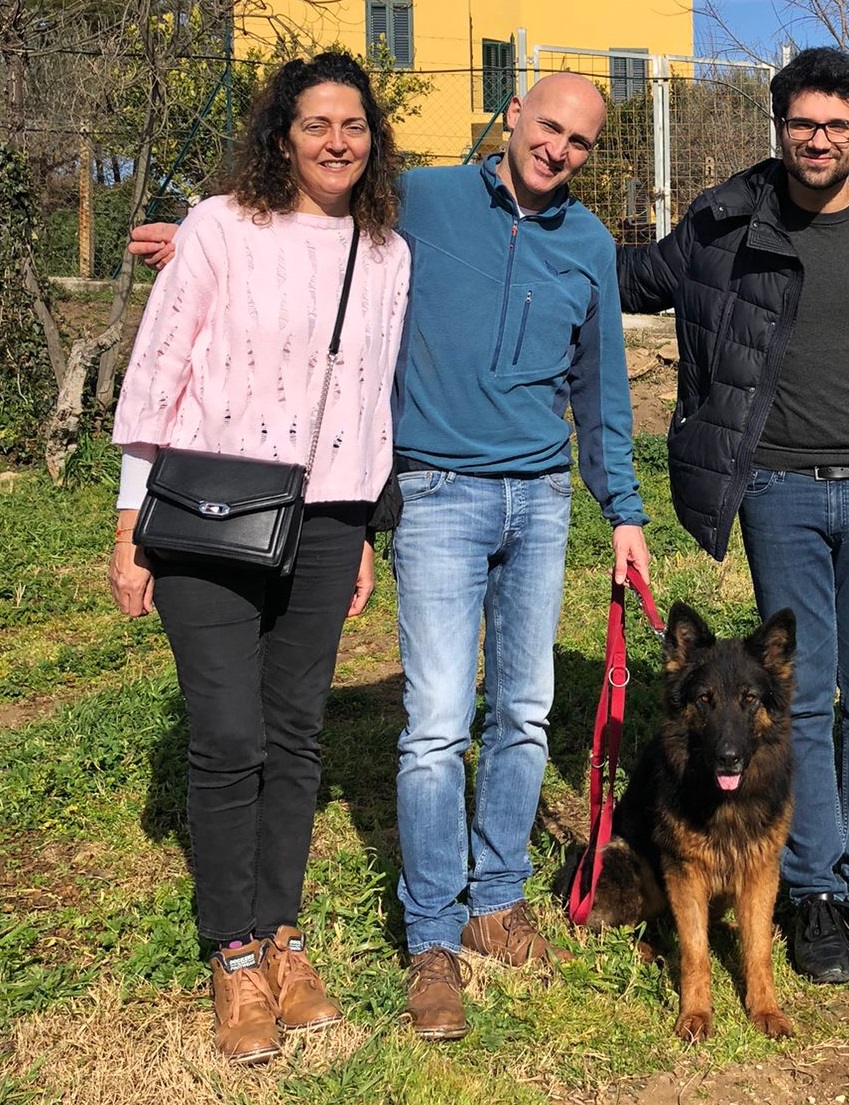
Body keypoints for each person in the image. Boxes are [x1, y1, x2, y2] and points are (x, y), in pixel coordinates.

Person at [129, 71, 651, 1042]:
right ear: (513, 118)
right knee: (436, 722)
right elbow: (305, 216)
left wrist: (623, 507)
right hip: (439, 493)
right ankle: (433, 938)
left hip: (539, 499)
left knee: (527, 710)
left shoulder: (588, 243)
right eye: (549, 128)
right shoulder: (424, 199)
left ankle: (498, 897)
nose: (560, 151)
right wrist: (206, 236)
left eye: (581, 141)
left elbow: (604, 387)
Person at [617, 47, 849, 983]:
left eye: (836, 126)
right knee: (794, 697)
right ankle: (808, 890)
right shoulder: (725, 222)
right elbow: (632, 278)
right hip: (780, 489)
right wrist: (514, 230)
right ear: (779, 124)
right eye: (803, 122)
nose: (818, 139)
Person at [110, 52, 411, 1065]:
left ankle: (282, 930)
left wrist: (366, 526)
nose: (337, 141)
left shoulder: (386, 251)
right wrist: (128, 523)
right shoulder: (221, 226)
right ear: (283, 132)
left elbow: (370, 399)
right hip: (208, 512)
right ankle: (230, 950)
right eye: (317, 123)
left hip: (326, 521)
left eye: (354, 125)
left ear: (374, 140)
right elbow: (159, 368)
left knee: (295, 733)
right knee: (229, 733)